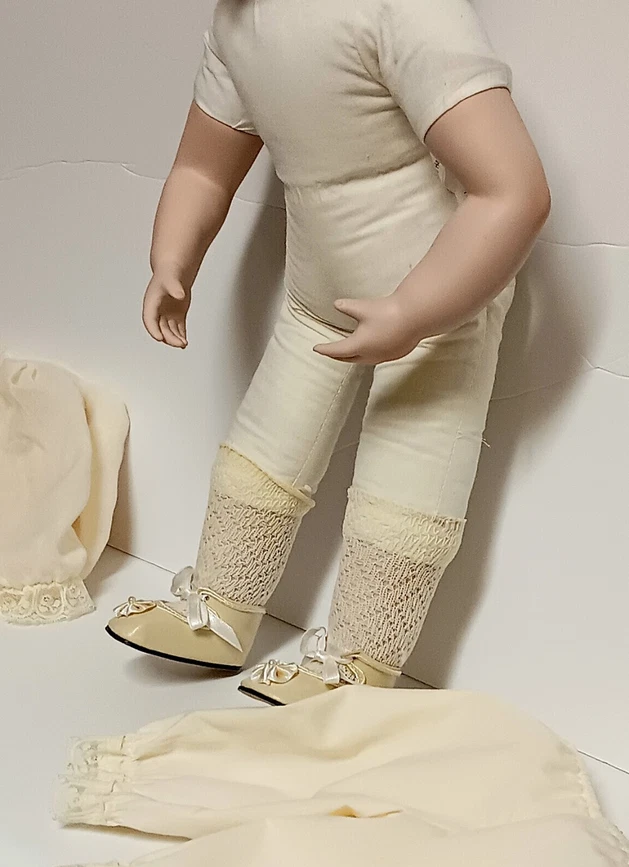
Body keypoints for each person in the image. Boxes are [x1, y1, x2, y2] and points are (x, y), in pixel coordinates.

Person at [106, 0, 550, 706]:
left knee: (405, 481)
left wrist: (416, 309)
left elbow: (513, 191)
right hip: (314, 294)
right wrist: (172, 259)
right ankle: (220, 606)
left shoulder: (400, 10)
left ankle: (359, 664)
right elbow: (202, 168)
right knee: (266, 444)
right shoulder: (237, 25)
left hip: (440, 303)